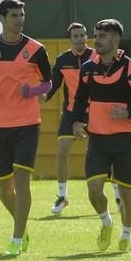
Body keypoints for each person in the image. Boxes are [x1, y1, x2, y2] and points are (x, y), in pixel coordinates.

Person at [0, 0, 52, 256]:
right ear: (2, 19)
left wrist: (32, 89)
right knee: (5, 189)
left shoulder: (36, 49)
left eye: (21, 15)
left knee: (22, 181)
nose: (19, 20)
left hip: (27, 124)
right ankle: (22, 227)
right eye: (14, 15)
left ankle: (16, 239)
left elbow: (48, 84)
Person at [72, 19, 131, 252]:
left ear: (116, 40)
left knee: (126, 192)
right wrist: (77, 122)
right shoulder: (88, 68)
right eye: (96, 35)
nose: (96, 40)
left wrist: (129, 111)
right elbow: (79, 100)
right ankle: (106, 222)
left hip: (124, 140)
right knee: (94, 189)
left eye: (102, 36)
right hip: (97, 140)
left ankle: (126, 234)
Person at [42, 23, 122, 214]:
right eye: (75, 36)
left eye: (82, 35)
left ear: (88, 37)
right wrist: (43, 96)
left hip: (96, 111)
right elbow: (53, 85)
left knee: (108, 152)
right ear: (70, 39)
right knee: (62, 149)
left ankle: (118, 195)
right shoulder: (62, 60)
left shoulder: (98, 56)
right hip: (71, 112)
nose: (79, 39)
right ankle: (62, 196)